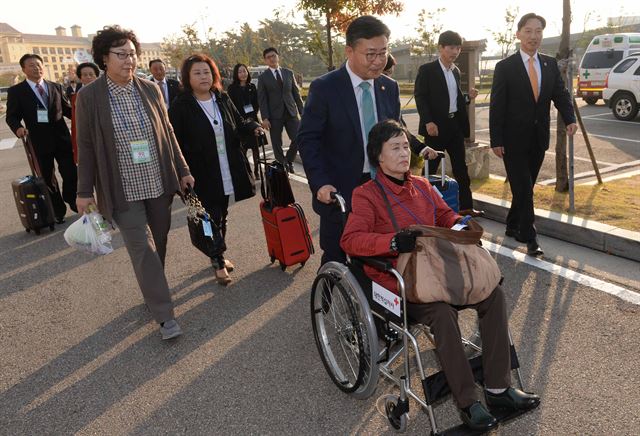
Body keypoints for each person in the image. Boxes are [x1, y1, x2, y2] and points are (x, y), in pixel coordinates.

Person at [340, 119, 540, 432]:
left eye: (406, 145)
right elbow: (350, 241)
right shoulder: (366, 195)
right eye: (396, 147)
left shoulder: (421, 185)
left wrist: (462, 225)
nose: (405, 153)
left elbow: (445, 216)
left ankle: (499, 390)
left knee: (493, 294)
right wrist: (391, 241)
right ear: (378, 156)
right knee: (442, 314)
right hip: (400, 281)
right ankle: (468, 402)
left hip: (437, 270)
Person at [75, 25, 194, 340]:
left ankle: (152, 287)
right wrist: (84, 191)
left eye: (132, 54)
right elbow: (85, 147)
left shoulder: (150, 89)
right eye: (121, 55)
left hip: (157, 181)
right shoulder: (89, 97)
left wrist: (182, 169)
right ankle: (165, 315)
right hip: (122, 188)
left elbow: (168, 133)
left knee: (161, 241)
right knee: (142, 249)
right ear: (104, 57)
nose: (129, 60)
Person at [297, 15, 401, 265]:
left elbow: (397, 130)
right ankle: (328, 301)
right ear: (349, 51)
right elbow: (308, 139)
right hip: (341, 190)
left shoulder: (389, 87)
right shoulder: (326, 88)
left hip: (383, 186)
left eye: (383, 53)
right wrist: (321, 183)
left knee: (382, 256)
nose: (378, 62)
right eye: (371, 54)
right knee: (338, 257)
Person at [169, 54, 262, 285]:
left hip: (227, 167)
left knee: (221, 214)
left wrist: (253, 127)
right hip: (199, 172)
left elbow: (239, 123)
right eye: (197, 73)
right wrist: (181, 173)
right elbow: (174, 143)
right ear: (187, 78)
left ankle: (216, 251)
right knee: (208, 217)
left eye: (207, 72)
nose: (203, 77)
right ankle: (218, 259)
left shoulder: (221, 98)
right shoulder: (181, 106)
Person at [490, 13, 577, 257]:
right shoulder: (505, 67)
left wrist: (570, 118)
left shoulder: (549, 64)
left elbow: (560, 95)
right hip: (512, 140)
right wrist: (496, 139)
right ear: (518, 34)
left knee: (524, 186)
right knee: (525, 188)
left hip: (538, 138)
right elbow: (497, 106)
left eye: (538, 31)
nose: (533, 36)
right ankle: (530, 237)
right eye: (528, 31)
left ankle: (511, 224)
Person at [414, 31, 484, 217]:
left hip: (454, 127)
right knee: (430, 168)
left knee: (461, 167)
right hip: (435, 128)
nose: (455, 51)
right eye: (451, 47)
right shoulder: (427, 70)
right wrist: (428, 121)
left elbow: (455, 98)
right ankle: (420, 205)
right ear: (441, 48)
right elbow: (421, 97)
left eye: (458, 48)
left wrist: (468, 98)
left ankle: (466, 207)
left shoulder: (455, 71)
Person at [6, 53, 78, 223]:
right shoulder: (17, 91)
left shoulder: (56, 87)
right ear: (24, 69)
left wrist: (82, 118)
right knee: (47, 178)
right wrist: (18, 128)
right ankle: (57, 210)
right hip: (38, 142)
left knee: (71, 173)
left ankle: (71, 198)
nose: (36, 68)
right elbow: (11, 116)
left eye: (38, 64)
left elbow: (69, 111)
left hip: (62, 139)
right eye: (31, 65)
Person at [257, 47, 303, 172]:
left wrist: (302, 111)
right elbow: (262, 99)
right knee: (277, 143)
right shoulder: (263, 78)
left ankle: (288, 160)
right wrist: (265, 117)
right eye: (268, 57)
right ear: (265, 61)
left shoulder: (288, 73)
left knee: (298, 138)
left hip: (291, 112)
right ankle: (283, 165)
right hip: (274, 115)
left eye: (273, 56)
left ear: (278, 56)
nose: (272, 59)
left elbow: (296, 94)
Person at [227, 63, 260, 178]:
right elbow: (231, 105)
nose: (243, 74)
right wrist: (241, 119)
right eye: (240, 72)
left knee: (256, 149)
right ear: (236, 74)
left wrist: (252, 116)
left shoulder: (252, 86)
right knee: (243, 149)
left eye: (244, 71)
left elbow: (256, 104)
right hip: (240, 122)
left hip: (253, 121)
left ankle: (256, 171)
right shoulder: (232, 88)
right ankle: (247, 172)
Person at [71, 62, 99, 164]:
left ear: (96, 76)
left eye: (91, 74)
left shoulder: (105, 93)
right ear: (80, 78)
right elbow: (76, 123)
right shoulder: (77, 97)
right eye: (85, 75)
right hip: (88, 137)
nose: (88, 77)